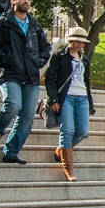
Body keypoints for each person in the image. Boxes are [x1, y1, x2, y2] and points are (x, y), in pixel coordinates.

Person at [0, 0, 49, 165]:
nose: (25, 1)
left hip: (30, 76)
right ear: (13, 0)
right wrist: (4, 60)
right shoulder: (3, 23)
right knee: (13, 104)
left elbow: (45, 48)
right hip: (10, 73)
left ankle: (11, 151)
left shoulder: (35, 25)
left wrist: (39, 62)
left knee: (27, 118)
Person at [42, 28, 97, 182]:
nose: (80, 45)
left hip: (82, 97)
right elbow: (50, 78)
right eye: (77, 41)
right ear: (71, 41)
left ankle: (61, 149)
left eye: (82, 42)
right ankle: (69, 169)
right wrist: (53, 99)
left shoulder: (84, 59)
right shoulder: (60, 56)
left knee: (82, 131)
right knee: (67, 130)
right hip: (66, 96)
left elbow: (86, 82)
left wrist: (90, 102)